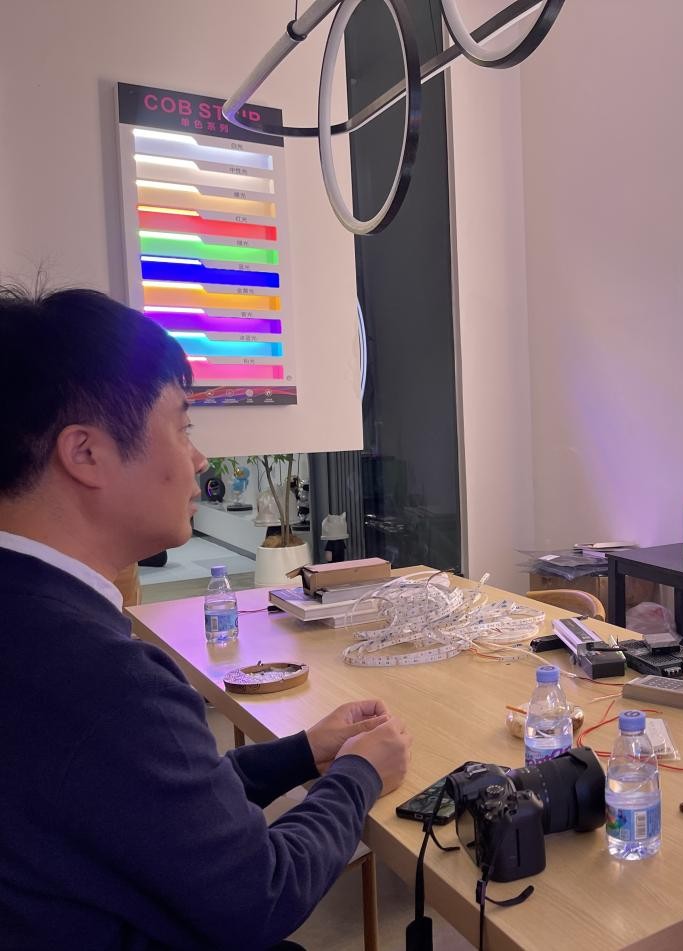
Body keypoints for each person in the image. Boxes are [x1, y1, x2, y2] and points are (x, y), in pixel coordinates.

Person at [0, 285, 413, 948]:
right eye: (183, 426)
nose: (200, 460)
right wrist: (359, 775)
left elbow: (161, 808)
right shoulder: (101, 678)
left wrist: (304, 751)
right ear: (86, 454)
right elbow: (261, 894)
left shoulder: (29, 622)